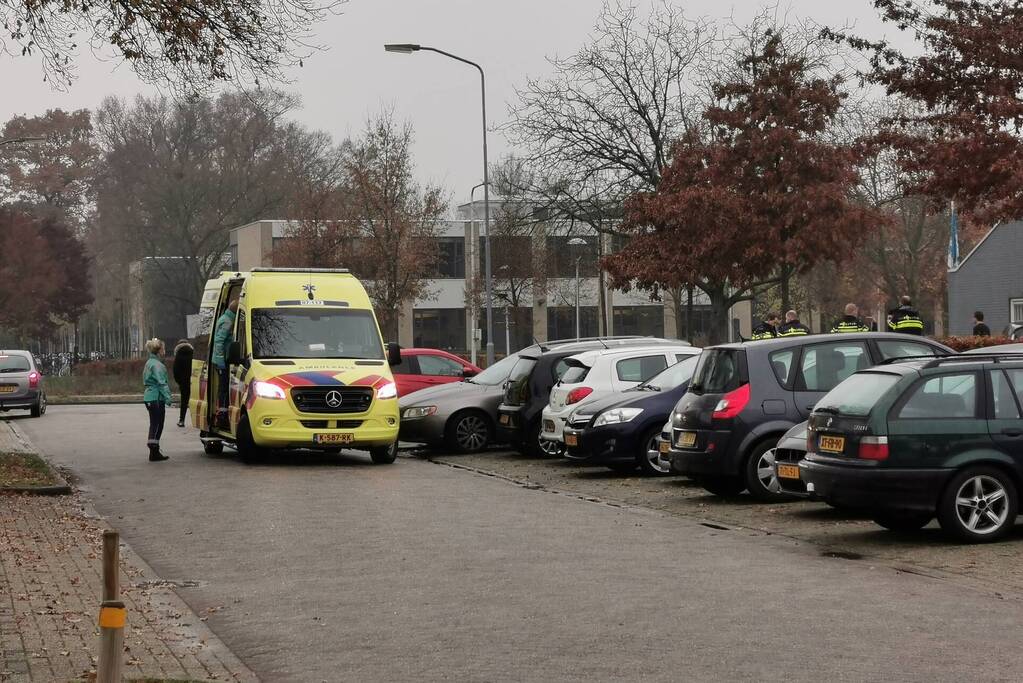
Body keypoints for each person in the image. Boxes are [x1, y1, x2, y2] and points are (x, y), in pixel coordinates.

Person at [143, 338, 172, 462]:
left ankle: (153, 450)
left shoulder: (149, 362)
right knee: (159, 423)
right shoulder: (158, 365)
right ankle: (154, 448)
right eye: (163, 349)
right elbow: (162, 383)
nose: (164, 351)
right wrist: (168, 398)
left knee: (154, 423)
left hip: (149, 396)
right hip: (156, 397)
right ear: (159, 350)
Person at [212, 299, 238, 426]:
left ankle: (222, 413)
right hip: (223, 361)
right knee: (224, 388)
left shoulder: (225, 318)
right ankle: (222, 415)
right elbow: (219, 342)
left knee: (224, 387)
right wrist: (221, 361)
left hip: (222, 360)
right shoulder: (228, 321)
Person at [172, 339, 194, 427]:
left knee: (184, 401)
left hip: (184, 382)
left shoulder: (178, 356)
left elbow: (175, 371)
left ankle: (182, 420)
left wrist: (180, 381)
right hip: (193, 381)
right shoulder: (192, 354)